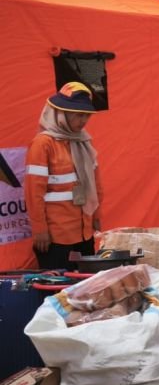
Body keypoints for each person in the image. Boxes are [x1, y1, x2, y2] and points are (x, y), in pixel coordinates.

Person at [24, 82, 103, 270]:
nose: (84, 120)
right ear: (62, 113)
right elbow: (34, 193)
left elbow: (95, 184)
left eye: (87, 115)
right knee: (58, 285)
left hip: (84, 231)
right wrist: (40, 230)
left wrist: (96, 215)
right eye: (78, 114)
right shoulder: (43, 144)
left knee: (87, 284)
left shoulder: (84, 141)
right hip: (56, 236)